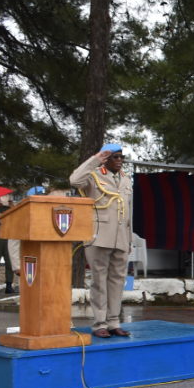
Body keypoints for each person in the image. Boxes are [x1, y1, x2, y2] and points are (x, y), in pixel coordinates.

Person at [70, 144, 134, 338]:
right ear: (105, 159)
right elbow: (75, 180)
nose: (119, 160)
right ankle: (99, 324)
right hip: (99, 236)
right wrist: (95, 159)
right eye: (115, 157)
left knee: (117, 282)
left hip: (121, 238)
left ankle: (113, 322)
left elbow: (128, 213)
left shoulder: (126, 179)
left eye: (121, 157)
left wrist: (129, 240)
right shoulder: (94, 176)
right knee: (99, 281)